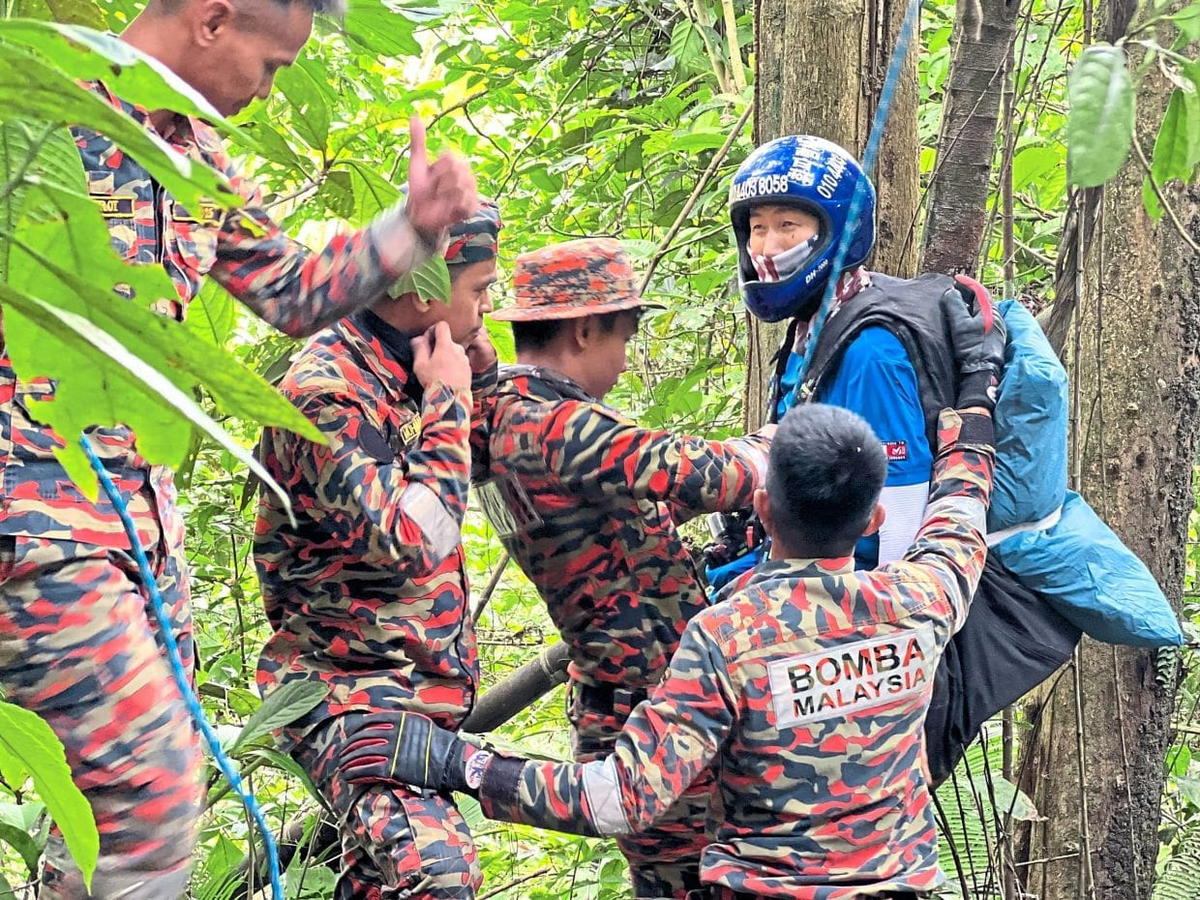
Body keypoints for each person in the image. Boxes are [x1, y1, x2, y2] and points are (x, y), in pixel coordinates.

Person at [0, 0, 477, 894]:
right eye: (272, 66)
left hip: (138, 526)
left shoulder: (195, 156)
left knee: (131, 800)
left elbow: (292, 291)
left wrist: (409, 227)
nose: (266, 91)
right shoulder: (33, 102)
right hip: (36, 522)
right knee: (150, 790)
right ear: (213, 21)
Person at [330, 283, 1005, 900]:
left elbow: (617, 797)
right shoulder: (923, 600)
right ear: (876, 520)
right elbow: (961, 509)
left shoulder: (728, 641)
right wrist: (974, 397)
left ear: (763, 512)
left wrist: (458, 763)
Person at [707, 134, 1083, 782]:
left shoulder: (870, 352)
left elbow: (898, 529)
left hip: (874, 662)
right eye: (757, 229)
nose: (766, 248)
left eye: (787, 226)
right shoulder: (812, 326)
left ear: (837, 230)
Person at [474, 237, 774, 899]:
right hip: (658, 710)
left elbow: (609, 522)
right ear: (585, 330)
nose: (627, 358)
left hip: (625, 700)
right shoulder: (553, 428)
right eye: (625, 337)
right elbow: (706, 475)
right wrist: (779, 442)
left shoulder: (496, 418)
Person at [254, 201, 502, 900]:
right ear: (424, 292)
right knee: (438, 875)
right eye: (478, 290)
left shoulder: (407, 364)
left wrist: (475, 382)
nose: (487, 310)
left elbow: (477, 471)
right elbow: (413, 543)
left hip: (409, 701)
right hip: (348, 703)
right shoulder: (327, 393)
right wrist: (450, 402)